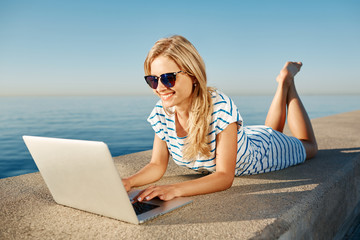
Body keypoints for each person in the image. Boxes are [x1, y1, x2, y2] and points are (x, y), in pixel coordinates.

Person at [122, 35, 317, 202]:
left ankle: (287, 81)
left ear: (193, 76)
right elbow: (157, 165)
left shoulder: (219, 106)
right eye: (153, 80)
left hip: (263, 154)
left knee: (308, 146)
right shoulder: (162, 113)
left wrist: (175, 189)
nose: (160, 87)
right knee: (271, 131)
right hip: (247, 140)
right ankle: (283, 83)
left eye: (168, 78)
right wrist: (128, 182)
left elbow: (224, 177)